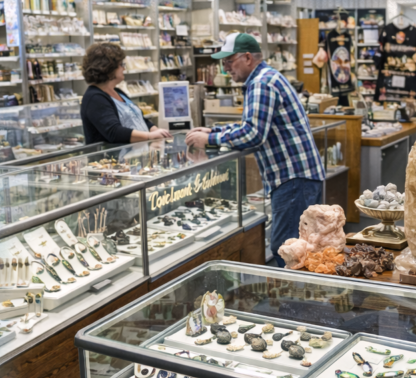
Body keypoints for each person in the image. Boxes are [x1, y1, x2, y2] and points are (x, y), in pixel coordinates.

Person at [185, 34, 326, 267]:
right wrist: (214, 130)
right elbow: (253, 125)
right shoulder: (265, 78)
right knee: (302, 248)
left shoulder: (261, 83)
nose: (225, 68)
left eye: (229, 61)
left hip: (293, 180)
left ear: (247, 57)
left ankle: (294, 303)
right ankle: (304, 301)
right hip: (297, 178)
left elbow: (253, 134)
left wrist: (210, 139)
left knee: (289, 250)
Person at [79, 42, 172, 145]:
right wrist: (149, 136)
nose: (124, 68)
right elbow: (114, 132)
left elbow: (138, 118)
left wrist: (154, 130)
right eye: (121, 64)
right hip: (113, 159)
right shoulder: (94, 98)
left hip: (136, 155)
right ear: (108, 67)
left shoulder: (118, 92)